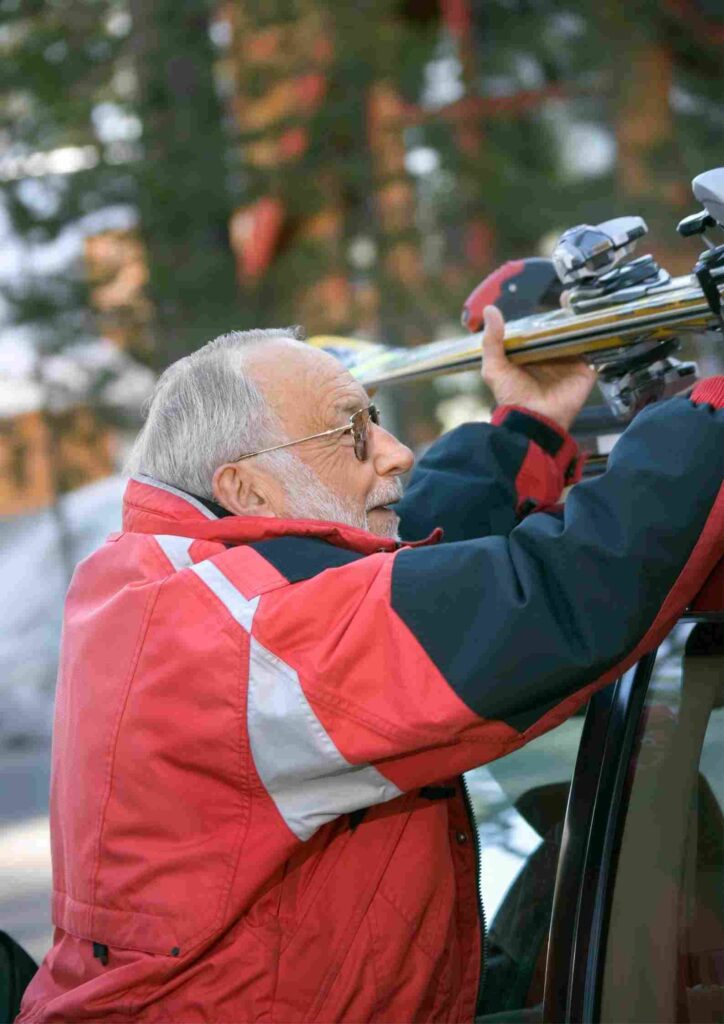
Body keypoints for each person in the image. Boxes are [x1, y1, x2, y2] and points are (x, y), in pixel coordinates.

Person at [17, 308, 724, 1024]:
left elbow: (408, 557)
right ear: (247, 490)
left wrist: (527, 429)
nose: (395, 452)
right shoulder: (240, 639)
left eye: (376, 419)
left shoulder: (171, 581)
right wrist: (710, 423)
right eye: (351, 432)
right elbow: (557, 599)